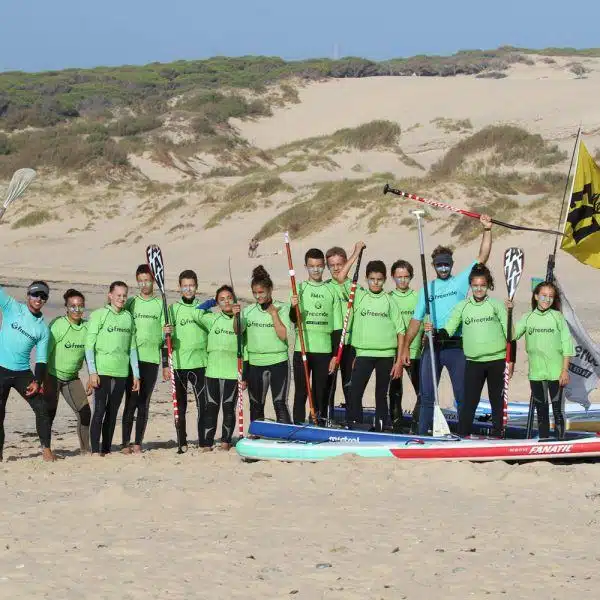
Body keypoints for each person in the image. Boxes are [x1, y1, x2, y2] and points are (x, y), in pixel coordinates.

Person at [401, 215, 492, 435]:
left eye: (446, 264)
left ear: (451, 265)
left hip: (455, 346)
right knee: (427, 395)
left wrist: (487, 230)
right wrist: (405, 347)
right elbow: (415, 321)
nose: (443, 268)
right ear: (433, 265)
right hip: (432, 347)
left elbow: (482, 257)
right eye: (439, 265)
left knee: (462, 393)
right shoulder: (426, 289)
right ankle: (423, 434)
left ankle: (464, 433)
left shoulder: (461, 281)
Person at [335, 251, 405, 431]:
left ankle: (381, 427)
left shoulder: (390, 300)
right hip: (363, 354)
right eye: (372, 279)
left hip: (386, 356)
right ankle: (355, 426)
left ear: (385, 280)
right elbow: (341, 276)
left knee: (381, 395)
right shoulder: (359, 294)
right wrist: (357, 252)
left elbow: (401, 330)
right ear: (366, 279)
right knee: (355, 392)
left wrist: (398, 361)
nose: (375, 282)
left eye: (380, 279)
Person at [439, 264, 510, 437]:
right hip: (473, 362)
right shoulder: (463, 306)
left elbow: (511, 335)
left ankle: (498, 433)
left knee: (496, 400)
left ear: (488, 286)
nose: (479, 289)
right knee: (469, 401)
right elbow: (449, 328)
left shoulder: (496, 305)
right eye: (475, 285)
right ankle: (463, 434)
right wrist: (436, 333)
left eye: (483, 285)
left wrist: (510, 312)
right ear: (470, 285)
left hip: (497, 360)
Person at [0, 281, 54, 462]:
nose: (39, 298)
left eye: (43, 296)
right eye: (36, 294)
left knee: (41, 408)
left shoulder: (42, 329)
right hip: (1, 368)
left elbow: (41, 360)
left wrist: (37, 381)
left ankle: (46, 449)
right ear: (28, 295)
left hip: (23, 373)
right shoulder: (12, 307)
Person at [512, 281, 574, 439]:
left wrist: (564, 371)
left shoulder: (557, 317)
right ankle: (544, 440)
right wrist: (509, 313)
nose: (547, 299)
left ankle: (560, 442)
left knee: (558, 410)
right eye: (544, 296)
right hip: (536, 373)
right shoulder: (528, 318)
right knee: (541, 410)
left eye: (551, 297)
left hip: (556, 373)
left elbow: (567, 346)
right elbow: (512, 335)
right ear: (536, 296)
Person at [85, 281, 140, 456]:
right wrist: (92, 372)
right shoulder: (99, 315)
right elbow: (89, 345)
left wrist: (136, 375)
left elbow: (132, 348)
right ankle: (95, 449)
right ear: (110, 295)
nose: (122, 299)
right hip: (102, 371)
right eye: (118, 295)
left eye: (124, 295)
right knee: (99, 410)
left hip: (121, 372)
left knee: (113, 411)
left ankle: (106, 449)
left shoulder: (128, 317)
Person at [121, 264, 169, 454]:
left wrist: (165, 364)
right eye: (140, 281)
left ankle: (138, 442)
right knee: (130, 401)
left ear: (153, 281)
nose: (144, 284)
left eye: (147, 280)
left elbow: (166, 339)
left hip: (151, 360)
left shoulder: (160, 304)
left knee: (144, 403)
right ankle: (125, 443)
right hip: (131, 359)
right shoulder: (131, 302)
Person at [290, 248, 341, 423]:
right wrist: (293, 306)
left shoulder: (331, 290)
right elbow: (293, 319)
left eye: (319, 266)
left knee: (320, 390)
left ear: (324, 267)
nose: (316, 270)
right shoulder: (300, 288)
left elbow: (337, 328)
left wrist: (335, 355)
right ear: (306, 267)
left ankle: (317, 422)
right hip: (302, 348)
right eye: (312, 266)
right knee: (302, 391)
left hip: (324, 349)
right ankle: (297, 424)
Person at [242, 265, 292, 424]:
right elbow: (238, 331)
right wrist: (236, 317)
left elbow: (284, 335)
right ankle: (257, 436)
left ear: (270, 289)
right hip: (255, 364)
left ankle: (286, 435)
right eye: (255, 293)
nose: (258, 297)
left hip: (278, 362)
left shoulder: (282, 308)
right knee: (256, 404)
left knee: (280, 403)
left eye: (261, 292)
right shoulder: (248, 311)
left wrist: (274, 314)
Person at [44, 289, 91, 453]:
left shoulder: (87, 327)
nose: (76, 310)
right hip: (52, 376)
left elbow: (89, 354)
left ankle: (86, 451)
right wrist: (41, 378)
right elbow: (45, 352)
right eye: (73, 306)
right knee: (49, 414)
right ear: (66, 308)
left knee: (85, 414)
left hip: (72, 378)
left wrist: (92, 376)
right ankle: (46, 449)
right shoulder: (59, 325)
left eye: (80, 306)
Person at [168, 269, 209, 451]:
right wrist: (165, 334)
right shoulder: (172, 309)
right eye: (185, 286)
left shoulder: (204, 307)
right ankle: (181, 441)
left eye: (191, 286)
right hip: (179, 364)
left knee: (203, 405)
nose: (188, 289)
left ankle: (202, 440)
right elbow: (165, 340)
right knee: (181, 406)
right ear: (179, 288)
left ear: (197, 287)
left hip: (201, 363)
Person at [200, 285, 243, 450]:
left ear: (235, 300)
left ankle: (226, 441)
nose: (226, 301)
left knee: (228, 407)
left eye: (229, 298)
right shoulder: (212, 318)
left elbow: (238, 329)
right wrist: (211, 301)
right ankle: (207, 442)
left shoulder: (240, 318)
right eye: (222, 299)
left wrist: (237, 315)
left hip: (232, 371)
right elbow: (196, 312)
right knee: (211, 407)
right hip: (213, 370)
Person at [389, 259, 422, 432]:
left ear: (411, 277)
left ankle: (417, 425)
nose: (402, 280)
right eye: (399, 277)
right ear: (393, 277)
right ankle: (396, 424)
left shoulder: (418, 298)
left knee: (422, 392)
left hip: (414, 352)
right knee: (395, 392)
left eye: (406, 277)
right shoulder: (389, 298)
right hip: (393, 353)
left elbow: (423, 323)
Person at [325, 246, 354, 409]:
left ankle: (353, 420)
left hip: (350, 343)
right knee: (329, 384)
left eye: (339, 264)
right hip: (330, 342)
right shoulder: (325, 287)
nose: (336, 268)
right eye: (332, 265)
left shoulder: (354, 287)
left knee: (349, 385)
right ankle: (326, 418)